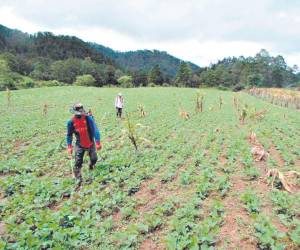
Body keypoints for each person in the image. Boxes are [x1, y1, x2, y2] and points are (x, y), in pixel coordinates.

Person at [66, 103, 102, 185]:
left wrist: (98, 142)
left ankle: (91, 165)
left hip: (90, 142)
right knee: (78, 162)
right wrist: (69, 146)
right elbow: (69, 135)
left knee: (94, 158)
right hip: (79, 144)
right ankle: (78, 178)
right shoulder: (71, 122)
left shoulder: (88, 118)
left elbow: (95, 129)